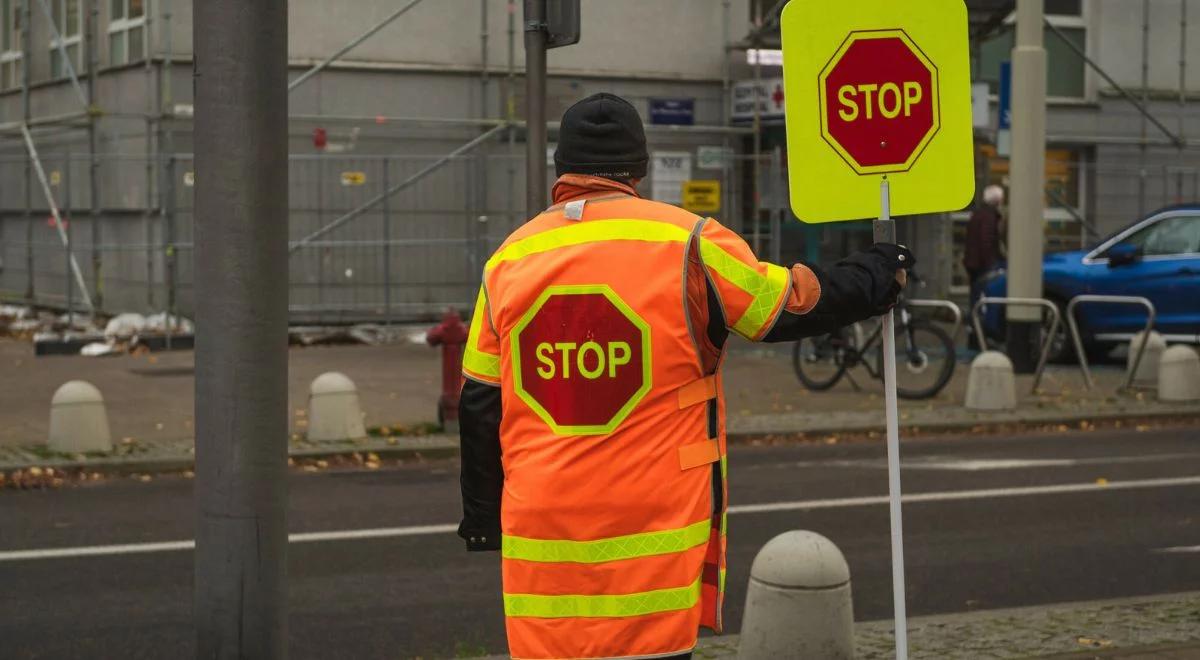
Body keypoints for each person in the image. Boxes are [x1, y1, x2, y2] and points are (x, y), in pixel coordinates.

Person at [457, 92, 911, 660]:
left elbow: (479, 401)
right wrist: (876, 271)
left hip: (541, 536)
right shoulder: (688, 243)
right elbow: (788, 307)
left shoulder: (508, 260)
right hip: (652, 531)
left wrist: (482, 518)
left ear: (560, 168)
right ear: (640, 167)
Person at [963, 184, 1006, 348]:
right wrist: (993, 263)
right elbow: (986, 241)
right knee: (983, 300)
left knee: (975, 300)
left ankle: (974, 336)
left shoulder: (979, 214)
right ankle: (982, 336)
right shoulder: (989, 216)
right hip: (983, 266)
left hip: (973, 264)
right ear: (998, 200)